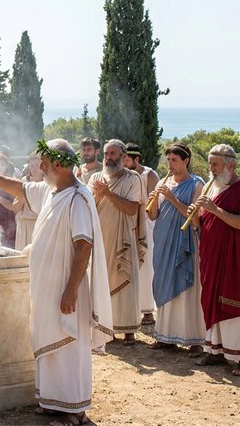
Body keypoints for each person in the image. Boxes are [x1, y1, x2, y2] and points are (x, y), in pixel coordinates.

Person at [0, 139, 112, 426]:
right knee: (49, 339)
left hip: (65, 287)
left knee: (68, 345)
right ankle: (52, 401)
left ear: (57, 164)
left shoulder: (77, 198)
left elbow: (84, 246)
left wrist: (71, 289)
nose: (39, 168)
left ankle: (74, 410)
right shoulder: (51, 191)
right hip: (48, 285)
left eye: (43, 163)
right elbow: (17, 187)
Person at [190, 144, 240, 376]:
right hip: (212, 254)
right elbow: (201, 224)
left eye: (215, 164)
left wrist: (214, 210)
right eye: (210, 164)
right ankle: (216, 351)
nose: (211, 169)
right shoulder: (209, 186)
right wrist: (194, 215)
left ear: (230, 165)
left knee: (238, 304)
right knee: (212, 300)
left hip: (237, 254)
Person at [146, 143, 206, 356]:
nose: (170, 165)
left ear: (186, 160)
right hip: (163, 240)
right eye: (168, 160)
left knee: (187, 289)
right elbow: (153, 216)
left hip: (185, 241)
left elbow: (196, 219)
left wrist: (171, 197)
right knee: (163, 283)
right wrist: (153, 202)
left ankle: (195, 339)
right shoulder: (164, 182)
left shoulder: (197, 184)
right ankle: (165, 336)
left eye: (175, 160)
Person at [88, 140, 145, 345]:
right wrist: (97, 194)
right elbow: (88, 207)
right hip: (100, 238)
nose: (109, 158)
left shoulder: (133, 178)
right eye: (106, 154)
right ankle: (105, 328)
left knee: (125, 281)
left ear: (123, 157)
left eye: (113, 154)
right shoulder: (95, 177)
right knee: (100, 282)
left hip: (123, 239)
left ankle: (128, 330)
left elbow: (132, 209)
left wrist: (108, 193)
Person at [124, 142, 158, 326]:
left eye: (127, 159)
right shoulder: (123, 175)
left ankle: (147, 311)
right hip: (127, 223)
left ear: (136, 159)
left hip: (145, 223)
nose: (123, 162)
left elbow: (153, 203)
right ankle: (131, 307)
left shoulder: (149, 175)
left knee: (146, 268)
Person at [12, 152, 43, 250]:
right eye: (31, 165)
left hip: (39, 224)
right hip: (24, 223)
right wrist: (23, 195)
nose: (34, 168)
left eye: (37, 165)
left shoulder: (47, 183)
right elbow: (15, 208)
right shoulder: (24, 181)